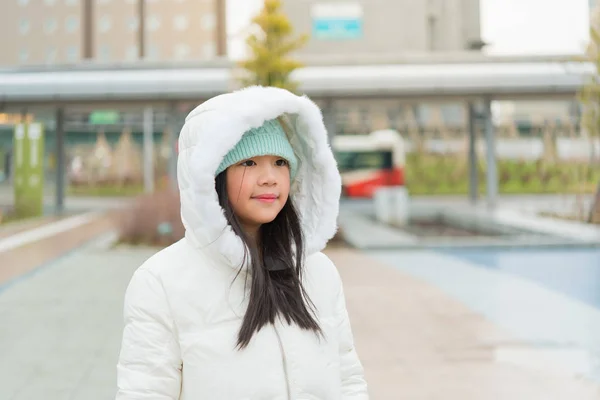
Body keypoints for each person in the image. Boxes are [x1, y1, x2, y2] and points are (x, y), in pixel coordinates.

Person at [116, 86, 369, 399]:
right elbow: (145, 391)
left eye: (280, 161)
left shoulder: (318, 271)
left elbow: (348, 380)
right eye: (248, 163)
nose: (269, 177)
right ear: (212, 177)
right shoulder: (161, 281)